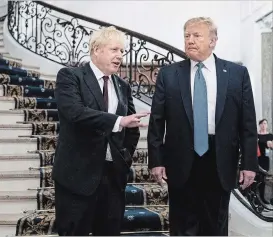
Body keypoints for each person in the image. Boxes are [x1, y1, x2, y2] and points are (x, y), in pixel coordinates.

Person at [147, 17, 258, 236]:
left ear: (213, 40)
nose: (190, 40)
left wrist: (249, 164)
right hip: (180, 161)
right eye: (187, 36)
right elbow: (156, 122)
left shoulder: (236, 74)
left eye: (197, 35)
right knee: (182, 227)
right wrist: (156, 161)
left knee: (215, 227)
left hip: (219, 160)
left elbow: (247, 123)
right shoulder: (169, 74)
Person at [53, 26, 149, 236]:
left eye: (122, 51)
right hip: (76, 177)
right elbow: (75, 113)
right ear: (96, 49)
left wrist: (124, 158)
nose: (120, 56)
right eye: (114, 49)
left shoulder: (123, 86)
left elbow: (131, 129)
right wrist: (118, 121)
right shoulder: (70, 76)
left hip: (112, 178)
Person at [257, 118, 273, 203]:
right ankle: (256, 198)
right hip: (257, 158)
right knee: (257, 178)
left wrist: (271, 145)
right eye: (262, 123)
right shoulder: (256, 135)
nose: (264, 125)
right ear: (259, 125)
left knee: (263, 178)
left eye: (265, 123)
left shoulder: (270, 136)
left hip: (266, 159)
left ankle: (262, 198)